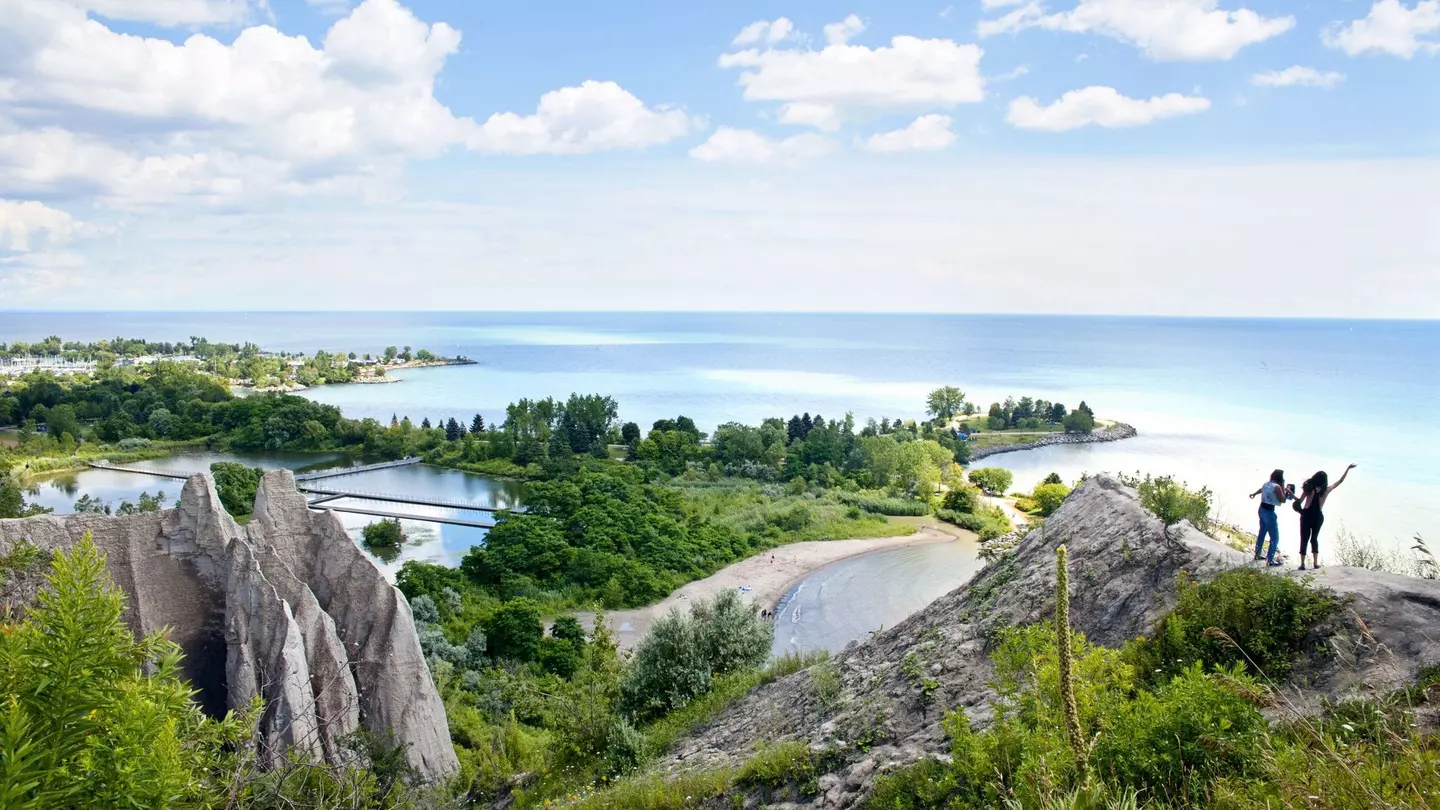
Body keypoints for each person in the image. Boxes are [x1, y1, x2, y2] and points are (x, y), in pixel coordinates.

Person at [1295, 464, 1356, 571]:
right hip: (1318, 517)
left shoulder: (1308, 488)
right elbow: (1339, 481)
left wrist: (1291, 494)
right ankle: (1315, 563)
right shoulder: (1326, 490)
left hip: (1306, 516)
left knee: (1304, 538)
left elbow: (1299, 501)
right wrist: (1347, 469)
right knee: (1314, 539)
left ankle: (1302, 564)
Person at [1248, 469, 1293, 566]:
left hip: (1261, 509)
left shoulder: (1266, 484)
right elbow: (1283, 500)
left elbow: (1261, 490)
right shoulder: (1277, 487)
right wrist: (1285, 488)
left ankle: (1257, 554)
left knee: (1262, 533)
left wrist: (1255, 494)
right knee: (1275, 537)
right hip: (1269, 512)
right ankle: (1270, 560)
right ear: (1280, 478)